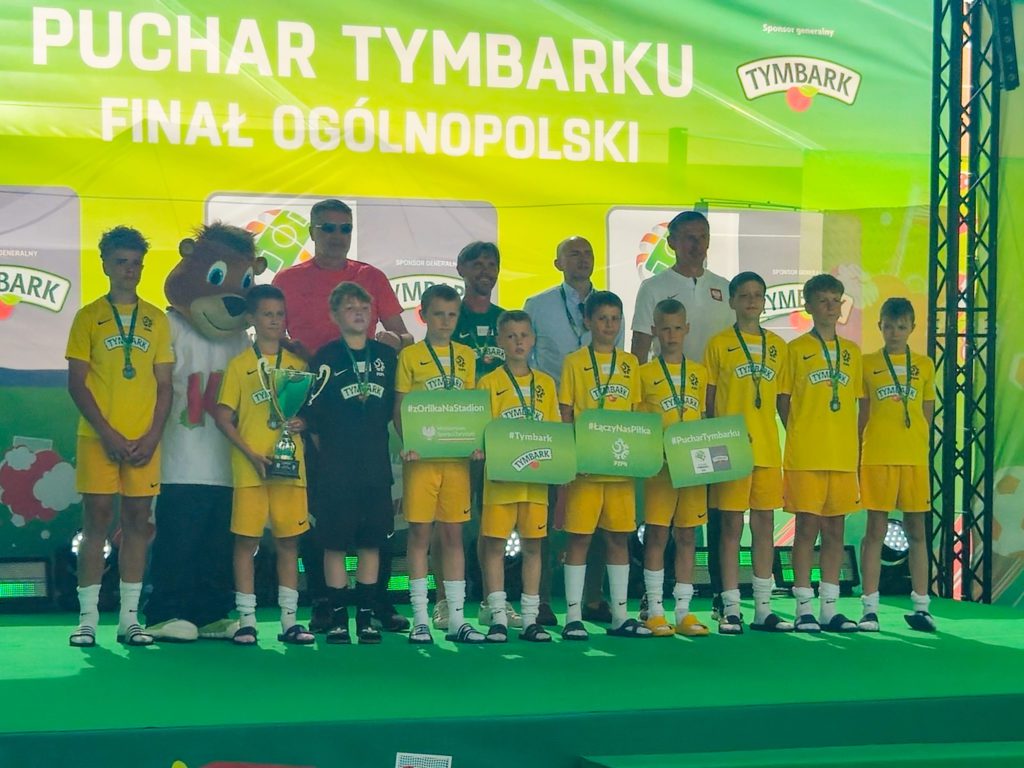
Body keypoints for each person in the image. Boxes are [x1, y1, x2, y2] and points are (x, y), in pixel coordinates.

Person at [272, 198, 411, 634]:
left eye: (344, 228)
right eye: (327, 227)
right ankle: (324, 605)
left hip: (366, 409)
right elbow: (273, 332)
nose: (336, 235)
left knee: (375, 523)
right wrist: (297, 358)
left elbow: (402, 336)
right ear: (312, 231)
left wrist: (394, 342)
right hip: (313, 406)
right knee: (320, 515)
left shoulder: (371, 276)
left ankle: (377, 604)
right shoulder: (287, 279)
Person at [146, 223, 263, 643]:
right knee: (179, 539)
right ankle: (165, 611)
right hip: (179, 462)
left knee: (218, 542)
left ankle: (212, 611)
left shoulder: (241, 340)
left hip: (226, 464)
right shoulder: (170, 327)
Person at [66, 226, 173, 647]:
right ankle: (87, 619)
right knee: (95, 522)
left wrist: (152, 436)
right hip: (98, 438)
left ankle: (129, 619)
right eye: (121, 262)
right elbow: (77, 383)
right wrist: (107, 433)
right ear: (105, 265)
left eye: (136, 264)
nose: (129, 270)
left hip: (143, 439)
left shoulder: (157, 319)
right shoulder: (87, 316)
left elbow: (165, 385)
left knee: (138, 524)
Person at [630, 210, 733, 619]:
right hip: (663, 417)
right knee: (658, 526)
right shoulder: (653, 287)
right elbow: (639, 351)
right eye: (688, 236)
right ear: (671, 242)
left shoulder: (724, 288)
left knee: (711, 517)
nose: (696, 244)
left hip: (709, 413)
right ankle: (652, 600)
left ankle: (718, 600)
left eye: (702, 236)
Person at [524, 236, 623, 626]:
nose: (583, 259)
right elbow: (528, 360)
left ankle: (592, 599)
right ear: (558, 262)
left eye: (588, 253)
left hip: (601, 423)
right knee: (547, 514)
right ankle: (541, 600)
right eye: (574, 254)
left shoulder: (609, 305)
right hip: (552, 420)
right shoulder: (537, 305)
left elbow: (616, 357)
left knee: (596, 517)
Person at [213, 285, 314, 646]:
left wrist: (303, 423)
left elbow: (309, 413)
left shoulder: (298, 365)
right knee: (246, 543)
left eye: (279, 314)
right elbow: (222, 416)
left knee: (289, 543)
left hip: (290, 467)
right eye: (267, 314)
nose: (274, 320)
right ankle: (247, 621)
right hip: (251, 469)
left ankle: (290, 621)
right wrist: (249, 452)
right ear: (252, 319)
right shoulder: (239, 365)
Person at [432, 241, 522, 630]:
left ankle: (492, 601)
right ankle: (442, 601)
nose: (486, 271)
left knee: (493, 522)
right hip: (456, 434)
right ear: (461, 269)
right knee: (447, 522)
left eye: (492, 264)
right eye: (478, 264)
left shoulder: (506, 321)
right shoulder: (451, 318)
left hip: (499, 438)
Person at [303, 282, 397, 644]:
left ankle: (367, 618)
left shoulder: (387, 357)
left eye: (364, 307)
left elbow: (397, 409)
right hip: (336, 470)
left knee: (372, 543)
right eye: (349, 308)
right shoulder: (325, 358)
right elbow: (313, 421)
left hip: (375, 467)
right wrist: (334, 455)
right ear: (334, 315)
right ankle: (339, 618)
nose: (358, 313)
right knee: (335, 544)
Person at [394, 283, 485, 644]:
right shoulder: (410, 356)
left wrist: (476, 442)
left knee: (453, 535)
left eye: (452, 315)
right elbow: (400, 407)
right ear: (423, 315)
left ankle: (457, 617)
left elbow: (471, 407)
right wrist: (409, 443)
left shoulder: (467, 356)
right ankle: (419, 617)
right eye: (438, 314)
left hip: (456, 461)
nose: (445, 321)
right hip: (422, 461)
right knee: (419, 535)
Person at [559, 290, 652, 640]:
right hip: (585, 469)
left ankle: (621, 617)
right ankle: (572, 616)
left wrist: (637, 455)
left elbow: (636, 414)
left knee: (618, 538)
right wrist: (572, 456)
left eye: (615, 319)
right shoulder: (574, 362)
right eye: (602, 319)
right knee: (579, 539)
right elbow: (566, 412)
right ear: (588, 321)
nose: (609, 325)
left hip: (620, 468)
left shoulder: (629, 364)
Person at [705, 272, 794, 634]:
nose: (751, 301)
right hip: (730, 448)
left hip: (767, 448)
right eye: (744, 295)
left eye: (758, 295)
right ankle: (729, 607)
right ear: (732, 301)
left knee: (764, 526)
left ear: (764, 301)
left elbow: (784, 401)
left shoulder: (778, 347)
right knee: (729, 526)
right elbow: (709, 401)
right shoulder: (719, 344)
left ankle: (763, 608)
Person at [778, 274, 863, 633]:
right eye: (823, 300)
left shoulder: (853, 352)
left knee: (834, 531)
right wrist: (800, 432)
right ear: (808, 306)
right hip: (806, 455)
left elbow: (856, 402)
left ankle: (830, 608)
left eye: (835, 300)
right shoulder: (795, 349)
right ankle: (803, 608)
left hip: (841, 455)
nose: (830, 307)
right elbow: (783, 399)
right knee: (805, 531)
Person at [477, 310, 559, 642]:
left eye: (524, 335)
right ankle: (498, 617)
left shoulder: (546, 384)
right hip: (500, 480)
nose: (518, 342)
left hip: (535, 481)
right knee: (495, 546)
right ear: (500, 341)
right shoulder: (489, 383)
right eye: (510, 336)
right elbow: (482, 432)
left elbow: (554, 432)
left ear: (533, 339)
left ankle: (530, 619)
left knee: (534, 547)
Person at [857, 298, 936, 632]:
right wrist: (858, 453)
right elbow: (863, 414)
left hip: (913, 459)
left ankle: (922, 607)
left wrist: (919, 447)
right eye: (888, 326)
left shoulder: (925, 365)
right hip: (877, 456)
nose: (894, 332)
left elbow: (927, 414)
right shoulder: (867, 364)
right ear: (880, 326)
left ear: (912, 328)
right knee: (875, 532)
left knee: (917, 531)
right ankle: (869, 608)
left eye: (901, 327)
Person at [638, 299, 710, 638]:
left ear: (687, 330)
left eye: (677, 328)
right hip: (660, 468)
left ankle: (684, 610)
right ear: (654, 331)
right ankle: (654, 609)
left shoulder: (699, 373)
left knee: (687, 535)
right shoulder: (644, 374)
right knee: (656, 534)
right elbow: (639, 424)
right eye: (665, 328)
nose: (671, 335)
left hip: (692, 467)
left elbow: (705, 418)